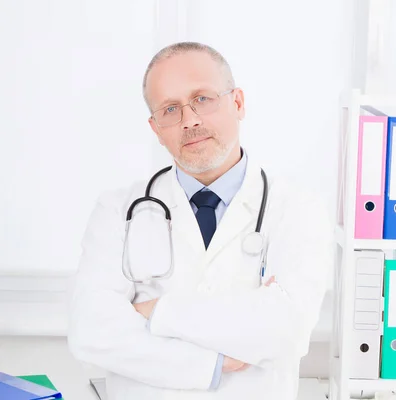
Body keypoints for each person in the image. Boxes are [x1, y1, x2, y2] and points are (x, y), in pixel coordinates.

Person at [67, 41, 333, 400]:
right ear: (155, 128)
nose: (189, 119)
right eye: (170, 109)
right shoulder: (117, 210)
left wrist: (157, 311)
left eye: (203, 99)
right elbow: (91, 332)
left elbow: (288, 331)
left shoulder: (298, 208)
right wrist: (213, 363)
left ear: (237, 103)